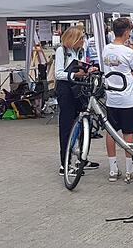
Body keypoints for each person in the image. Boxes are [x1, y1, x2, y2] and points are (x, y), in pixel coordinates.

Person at [101, 18, 133, 183]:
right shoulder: (128, 52)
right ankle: (129, 170)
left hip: (111, 97)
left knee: (111, 132)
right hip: (127, 97)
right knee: (128, 133)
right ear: (126, 32)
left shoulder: (106, 49)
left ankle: (113, 169)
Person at [54, 26, 99, 176]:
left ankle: (82, 158)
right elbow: (58, 73)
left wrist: (87, 70)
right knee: (67, 124)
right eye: (81, 38)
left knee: (84, 120)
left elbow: (82, 67)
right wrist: (74, 75)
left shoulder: (81, 50)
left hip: (80, 87)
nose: (83, 41)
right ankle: (64, 163)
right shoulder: (62, 51)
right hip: (66, 88)